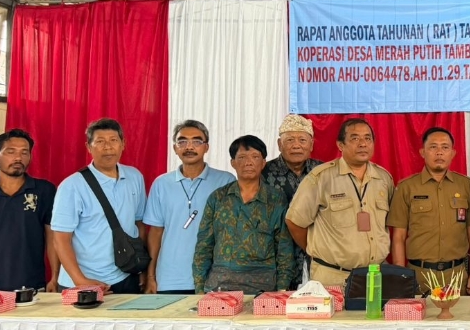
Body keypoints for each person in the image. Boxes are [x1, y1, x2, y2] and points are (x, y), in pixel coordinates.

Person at [285, 118, 394, 289]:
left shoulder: (384, 178)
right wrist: (317, 250)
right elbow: (294, 222)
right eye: (355, 138)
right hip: (333, 277)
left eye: (367, 138)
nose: (362, 144)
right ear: (340, 145)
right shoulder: (321, 178)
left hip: (375, 275)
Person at [51, 118, 147, 293]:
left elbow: (139, 224)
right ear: (88, 146)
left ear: (123, 144)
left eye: (113, 140)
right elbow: (60, 239)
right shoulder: (72, 186)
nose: (108, 147)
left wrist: (140, 268)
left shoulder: (135, 177)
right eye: (100, 141)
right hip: (83, 280)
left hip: (126, 275)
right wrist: (80, 280)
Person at [192, 135, 295, 293]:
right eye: (241, 157)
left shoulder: (276, 199)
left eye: (255, 157)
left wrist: (282, 287)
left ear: (263, 162)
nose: (248, 162)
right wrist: (199, 289)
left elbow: (284, 247)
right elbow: (204, 246)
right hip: (220, 284)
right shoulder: (218, 198)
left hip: (263, 286)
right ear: (232, 163)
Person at [143, 120, 235, 293]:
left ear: (206, 147)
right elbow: (155, 233)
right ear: (174, 148)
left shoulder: (225, 181)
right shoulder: (162, 184)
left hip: (213, 278)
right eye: (182, 141)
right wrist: (150, 276)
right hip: (169, 278)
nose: (189, 147)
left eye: (197, 141)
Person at [389, 127, 470, 295]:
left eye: (445, 147)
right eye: (433, 147)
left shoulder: (465, 185)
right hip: (419, 276)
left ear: (453, 153)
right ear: (422, 152)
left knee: (460, 313)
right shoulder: (407, 187)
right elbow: (398, 237)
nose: (439, 152)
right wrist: (401, 276)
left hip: (456, 275)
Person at [0, 128, 59, 291]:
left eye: (24, 152)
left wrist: (55, 277)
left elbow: (53, 238)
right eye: (10, 152)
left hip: (31, 287)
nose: (18, 158)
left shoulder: (44, 191)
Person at [263, 114, 321, 286]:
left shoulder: (323, 172)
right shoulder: (263, 173)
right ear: (279, 144)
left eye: (302, 140)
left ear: (312, 144)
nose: (296, 145)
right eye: (290, 140)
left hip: (315, 253)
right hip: (275, 256)